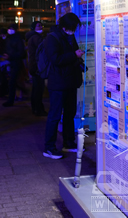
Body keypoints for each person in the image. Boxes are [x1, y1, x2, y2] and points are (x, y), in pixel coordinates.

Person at [43, 13, 84, 159]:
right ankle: (49, 147)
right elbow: (55, 59)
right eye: (72, 28)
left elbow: (71, 55)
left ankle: (68, 142)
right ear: (65, 26)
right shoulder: (52, 38)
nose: (73, 31)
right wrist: (74, 55)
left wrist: (77, 57)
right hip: (58, 83)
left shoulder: (69, 36)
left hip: (70, 81)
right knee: (54, 115)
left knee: (69, 114)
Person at [26, 21, 47, 116]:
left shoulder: (32, 37)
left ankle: (35, 108)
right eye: (38, 25)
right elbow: (43, 48)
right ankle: (38, 109)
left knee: (36, 88)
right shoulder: (36, 38)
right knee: (38, 89)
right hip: (37, 66)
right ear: (33, 27)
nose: (41, 27)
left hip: (34, 66)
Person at [2, 23, 26, 107]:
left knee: (13, 81)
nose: (10, 30)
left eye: (12, 28)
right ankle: (20, 92)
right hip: (9, 61)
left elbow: (21, 53)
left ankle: (11, 100)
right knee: (13, 81)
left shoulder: (18, 39)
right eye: (9, 28)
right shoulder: (8, 38)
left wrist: (10, 56)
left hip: (15, 62)